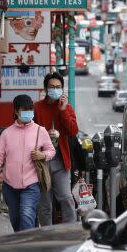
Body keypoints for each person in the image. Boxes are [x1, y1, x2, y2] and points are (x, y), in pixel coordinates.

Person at [0, 95, 55, 232]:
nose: (28, 112)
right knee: (16, 219)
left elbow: (51, 150)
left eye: (31, 109)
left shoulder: (40, 131)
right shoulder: (7, 133)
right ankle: (27, 240)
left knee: (26, 215)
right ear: (16, 111)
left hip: (32, 185)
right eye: (25, 109)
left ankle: (26, 249)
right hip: (10, 186)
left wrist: (43, 155)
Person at [34, 72, 79, 226]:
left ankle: (70, 231)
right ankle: (46, 234)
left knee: (66, 197)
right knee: (45, 203)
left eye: (58, 87)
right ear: (46, 88)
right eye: (52, 87)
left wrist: (63, 110)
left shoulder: (67, 108)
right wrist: (45, 135)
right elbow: (29, 134)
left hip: (61, 161)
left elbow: (73, 131)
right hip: (42, 162)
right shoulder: (37, 107)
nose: (55, 89)